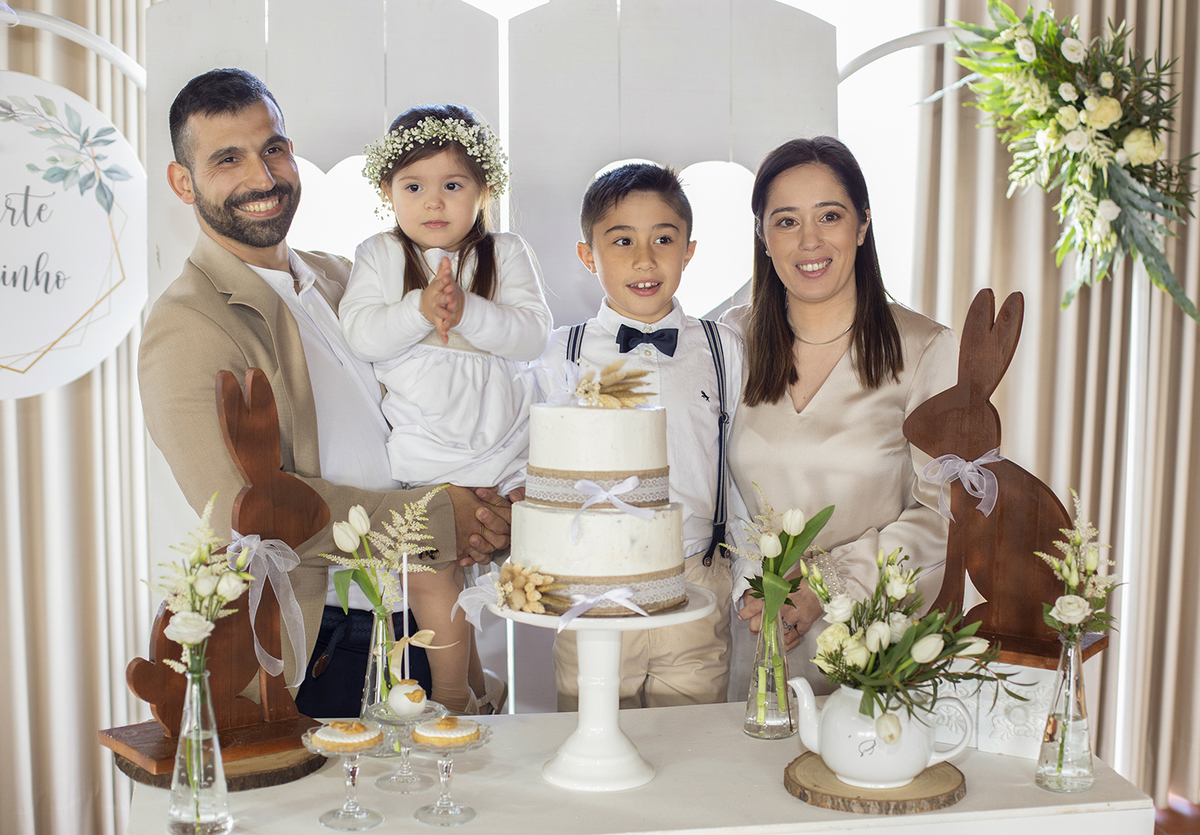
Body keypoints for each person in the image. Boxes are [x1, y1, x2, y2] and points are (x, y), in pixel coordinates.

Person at [138, 68, 512, 718]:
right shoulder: (185, 324)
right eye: (228, 159)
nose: (262, 176)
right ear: (183, 181)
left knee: (456, 812)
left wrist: (490, 506)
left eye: (273, 148)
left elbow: (442, 400)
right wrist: (443, 521)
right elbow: (251, 515)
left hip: (430, 620)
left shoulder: (345, 278)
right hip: (328, 647)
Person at [724, 136, 957, 693]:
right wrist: (755, 590)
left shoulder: (926, 348)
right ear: (763, 235)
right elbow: (715, 491)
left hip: (877, 650)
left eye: (829, 216)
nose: (809, 241)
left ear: (863, 225)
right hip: (757, 636)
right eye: (786, 221)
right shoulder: (730, 339)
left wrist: (826, 585)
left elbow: (945, 513)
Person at [338, 104, 551, 712]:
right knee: (433, 576)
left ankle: (480, 697)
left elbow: (534, 335)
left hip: (503, 448)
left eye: (453, 186)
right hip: (428, 450)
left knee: (496, 579)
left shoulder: (504, 253)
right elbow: (360, 334)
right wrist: (418, 309)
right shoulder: (381, 254)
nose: (434, 203)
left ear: (484, 190)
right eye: (414, 187)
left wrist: (468, 313)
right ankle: (458, 698)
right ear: (387, 192)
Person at [537, 163, 743, 709]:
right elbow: (533, 457)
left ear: (689, 251)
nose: (645, 259)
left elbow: (742, 464)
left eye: (663, 239)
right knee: (593, 735)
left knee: (691, 746)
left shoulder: (724, 350)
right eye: (622, 240)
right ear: (588, 255)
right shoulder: (560, 352)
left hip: (698, 576)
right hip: (592, 585)